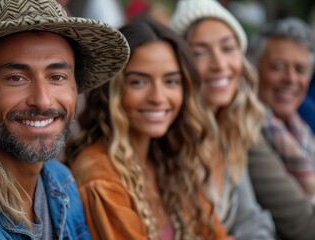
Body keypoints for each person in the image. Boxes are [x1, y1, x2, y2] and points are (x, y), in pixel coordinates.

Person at [0, 0, 129, 239]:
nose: (43, 101)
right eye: (16, 78)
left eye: (57, 77)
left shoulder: (61, 181)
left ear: (75, 88)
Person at [65, 18, 233, 240]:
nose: (158, 98)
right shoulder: (99, 174)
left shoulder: (167, 160)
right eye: (138, 82)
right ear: (111, 92)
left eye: (171, 81)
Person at [170, 0, 275, 239]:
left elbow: (251, 218)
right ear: (179, 64)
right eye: (200, 52)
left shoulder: (229, 130)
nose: (219, 65)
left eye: (227, 48)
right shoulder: (170, 139)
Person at [247, 17, 315, 239]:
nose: (291, 79)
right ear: (254, 70)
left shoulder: (302, 127)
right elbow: (304, 225)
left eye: (301, 69)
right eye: (278, 67)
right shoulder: (248, 131)